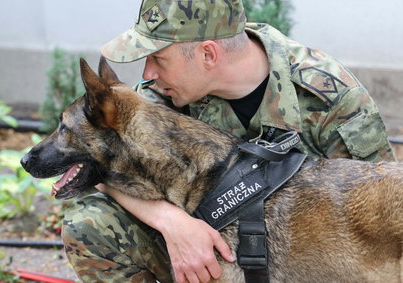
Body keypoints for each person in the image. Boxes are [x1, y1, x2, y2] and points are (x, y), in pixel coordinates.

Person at [61, 0, 396, 282]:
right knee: (90, 223)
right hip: (206, 254)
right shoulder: (155, 100)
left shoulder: (329, 96)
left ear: (208, 54)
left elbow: (376, 210)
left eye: (159, 58)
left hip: (312, 262)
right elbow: (101, 163)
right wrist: (173, 224)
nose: (147, 73)